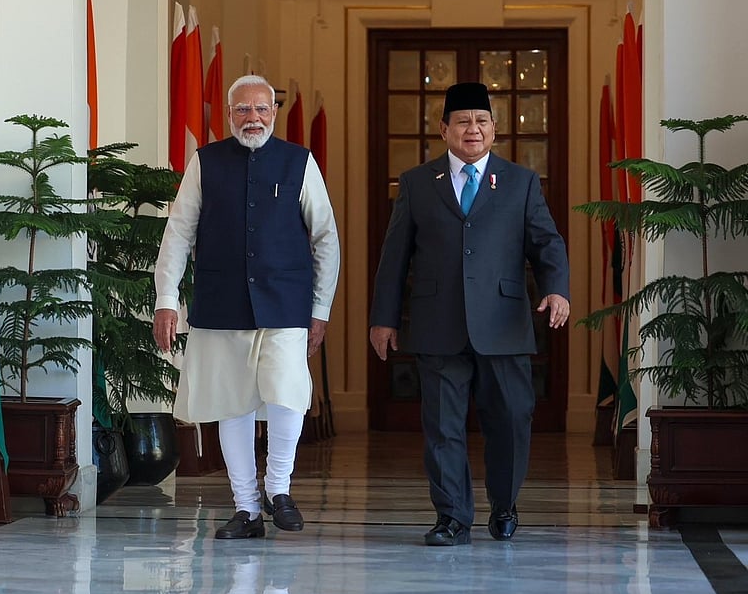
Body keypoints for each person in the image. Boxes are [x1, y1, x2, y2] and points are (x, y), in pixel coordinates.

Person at [368, 81, 570, 546]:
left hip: (503, 325)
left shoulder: (520, 182)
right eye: (462, 121)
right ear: (444, 130)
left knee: (512, 422)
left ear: (495, 130)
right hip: (437, 325)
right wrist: (384, 318)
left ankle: (504, 505)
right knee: (442, 428)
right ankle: (453, 518)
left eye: (481, 121)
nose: (472, 130)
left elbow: (547, 243)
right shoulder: (418, 183)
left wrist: (557, 290)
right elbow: (394, 257)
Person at [153, 74, 340, 540]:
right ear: (229, 115)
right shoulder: (206, 162)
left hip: (285, 304)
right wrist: (165, 300)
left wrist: (320, 309)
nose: (252, 117)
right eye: (242, 110)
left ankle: (279, 489)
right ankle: (247, 509)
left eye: (261, 109)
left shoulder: (299, 162)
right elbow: (177, 233)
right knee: (230, 404)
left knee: (287, 395)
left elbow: (325, 239)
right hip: (221, 304)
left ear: (273, 113)